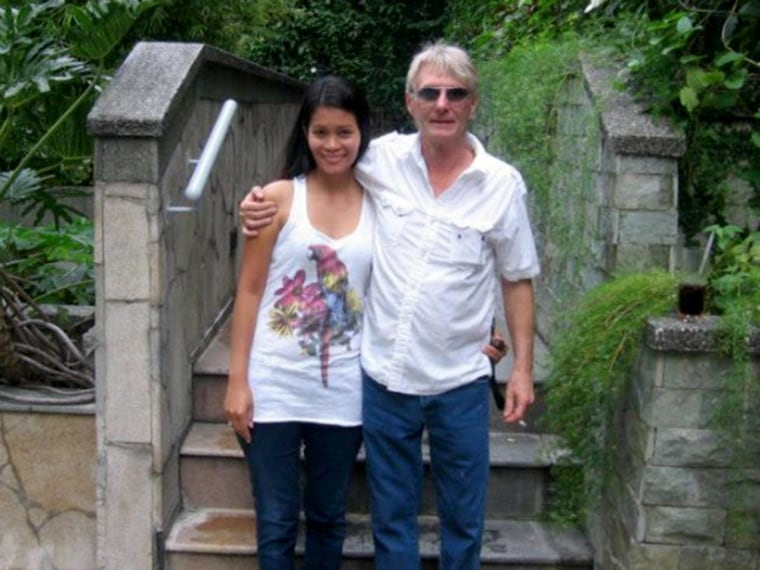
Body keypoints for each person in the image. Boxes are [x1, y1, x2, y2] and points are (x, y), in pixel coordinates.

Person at [240, 41, 539, 569]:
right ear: (409, 102)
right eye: (430, 92)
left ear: (473, 103)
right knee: (392, 524)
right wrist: (257, 203)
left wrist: (521, 369)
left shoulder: (501, 185)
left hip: (460, 382)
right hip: (384, 382)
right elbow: (324, 164)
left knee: (464, 523)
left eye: (455, 93)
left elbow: (517, 279)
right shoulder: (381, 161)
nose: (442, 103)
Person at [224, 74, 375, 570]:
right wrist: (237, 381)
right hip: (273, 388)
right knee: (277, 520)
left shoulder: (382, 202)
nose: (333, 144)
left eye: (344, 132)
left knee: (330, 518)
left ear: (362, 132)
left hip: (344, 392)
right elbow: (249, 290)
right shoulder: (278, 198)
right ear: (305, 133)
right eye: (321, 131)